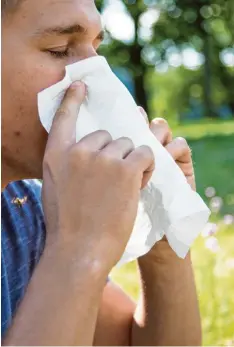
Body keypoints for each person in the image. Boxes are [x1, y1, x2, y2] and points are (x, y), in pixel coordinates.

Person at [1, 0, 201, 345]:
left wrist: (162, 238)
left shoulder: (24, 208)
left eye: (96, 48)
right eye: (60, 50)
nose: (100, 81)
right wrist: (76, 251)